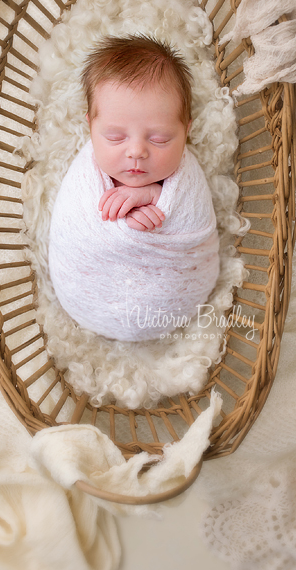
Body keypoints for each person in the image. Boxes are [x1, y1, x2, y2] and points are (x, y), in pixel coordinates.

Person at [48, 34, 219, 341]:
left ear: (186, 130)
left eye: (160, 139)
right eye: (115, 137)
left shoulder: (185, 175)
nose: (137, 151)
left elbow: (193, 214)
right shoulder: (85, 173)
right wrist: (120, 223)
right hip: (89, 294)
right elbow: (75, 225)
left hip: (171, 297)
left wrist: (155, 196)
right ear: (91, 127)